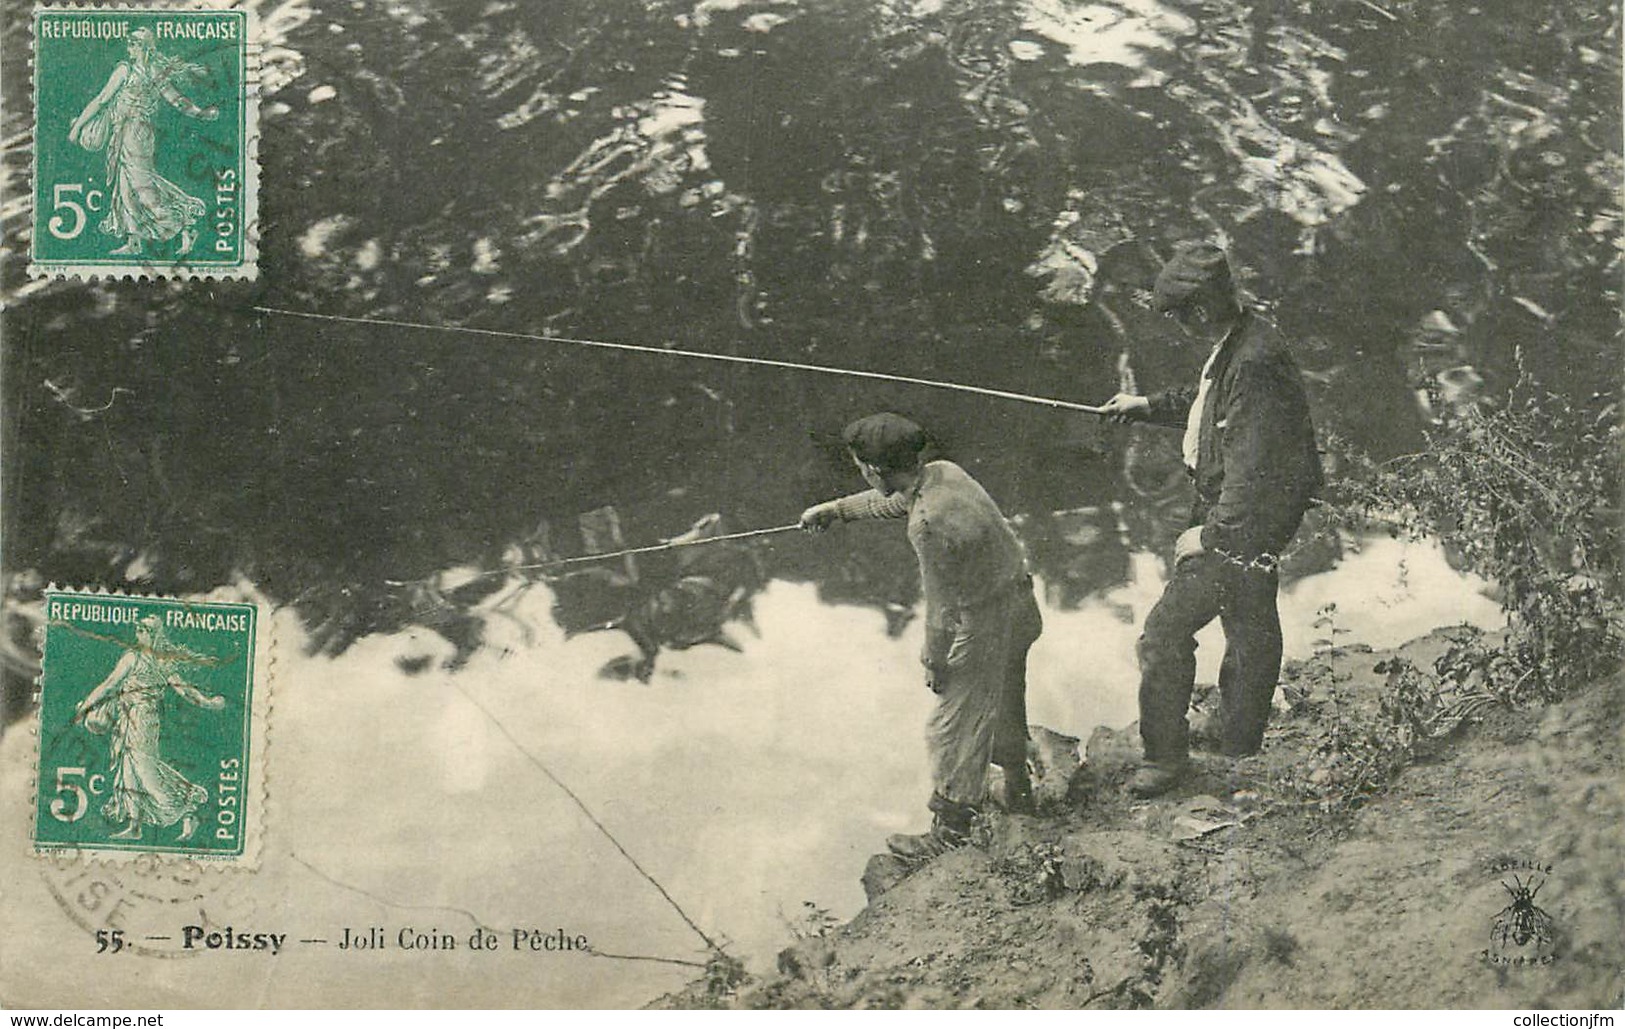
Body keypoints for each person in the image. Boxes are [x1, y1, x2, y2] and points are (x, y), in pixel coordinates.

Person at [1098, 242, 1322, 798]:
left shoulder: (1253, 361)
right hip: (1243, 510)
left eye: (1175, 314)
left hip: (1240, 517)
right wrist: (1146, 406)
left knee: (1163, 634)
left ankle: (1165, 758)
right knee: (1248, 620)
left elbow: (1250, 466)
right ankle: (1240, 739)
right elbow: (1209, 406)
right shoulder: (1243, 339)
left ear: (1198, 311)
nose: (1174, 325)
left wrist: (1211, 535)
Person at [801, 413, 1042, 861]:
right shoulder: (945, 474)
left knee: (949, 727)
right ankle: (1018, 790)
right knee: (1005, 698)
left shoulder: (926, 527)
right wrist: (837, 511)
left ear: (873, 469)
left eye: (861, 466)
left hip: (986, 622)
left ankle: (950, 830)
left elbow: (941, 608)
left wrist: (935, 661)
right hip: (1023, 607)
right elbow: (897, 501)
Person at [67, 26, 218, 256]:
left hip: (136, 134)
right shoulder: (130, 70)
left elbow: (176, 100)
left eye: (135, 43)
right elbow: (102, 100)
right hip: (126, 133)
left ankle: (185, 226)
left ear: (146, 47)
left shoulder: (139, 72)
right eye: (130, 43)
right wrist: (78, 127)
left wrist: (201, 113)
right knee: (126, 187)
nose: (130, 47)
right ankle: (134, 241)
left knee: (142, 187)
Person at [74, 615, 226, 841]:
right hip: (128, 718)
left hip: (143, 720)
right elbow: (110, 685)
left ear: (154, 634)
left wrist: (208, 703)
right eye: (138, 628)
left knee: (145, 770)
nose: (139, 633)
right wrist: (88, 705)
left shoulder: (150, 661)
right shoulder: (137, 658)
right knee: (129, 769)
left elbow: (183, 690)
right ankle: (135, 827)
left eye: (144, 629)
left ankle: (188, 809)